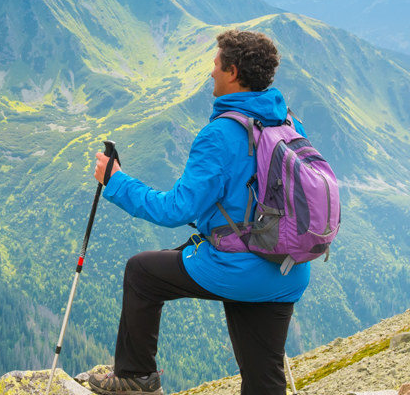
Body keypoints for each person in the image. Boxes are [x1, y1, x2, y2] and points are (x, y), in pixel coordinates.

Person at [85, 29, 311, 395]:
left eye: (216, 63)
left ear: (233, 71)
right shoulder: (287, 121)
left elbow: (177, 208)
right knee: (263, 380)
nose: (211, 72)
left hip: (241, 267)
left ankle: (136, 377)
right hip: (287, 267)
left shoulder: (220, 134)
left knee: (141, 272)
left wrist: (116, 182)